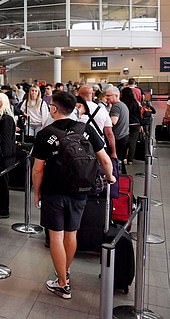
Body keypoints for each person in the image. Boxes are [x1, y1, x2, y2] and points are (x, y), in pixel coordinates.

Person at [32, 91, 114, 299]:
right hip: (81, 190)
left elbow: (38, 169)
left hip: (54, 191)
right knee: (71, 233)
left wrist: (36, 192)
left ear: (54, 109)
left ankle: (62, 282)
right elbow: (104, 159)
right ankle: (65, 273)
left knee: (56, 236)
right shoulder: (86, 129)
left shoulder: (45, 134)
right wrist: (110, 177)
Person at [77, 85, 116, 159]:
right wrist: (113, 152)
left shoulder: (74, 110)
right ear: (92, 95)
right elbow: (109, 133)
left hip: (79, 147)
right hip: (99, 147)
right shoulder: (102, 110)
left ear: (78, 95)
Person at [105, 86, 130, 166]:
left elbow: (113, 122)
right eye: (106, 95)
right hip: (124, 136)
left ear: (116, 95)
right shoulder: (123, 105)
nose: (106, 97)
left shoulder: (116, 106)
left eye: (109, 95)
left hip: (118, 139)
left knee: (115, 162)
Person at [120, 87, 142, 165]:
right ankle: (130, 159)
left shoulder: (121, 103)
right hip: (135, 124)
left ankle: (123, 158)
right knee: (133, 142)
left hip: (125, 123)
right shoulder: (135, 102)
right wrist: (141, 125)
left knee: (124, 140)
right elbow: (138, 114)